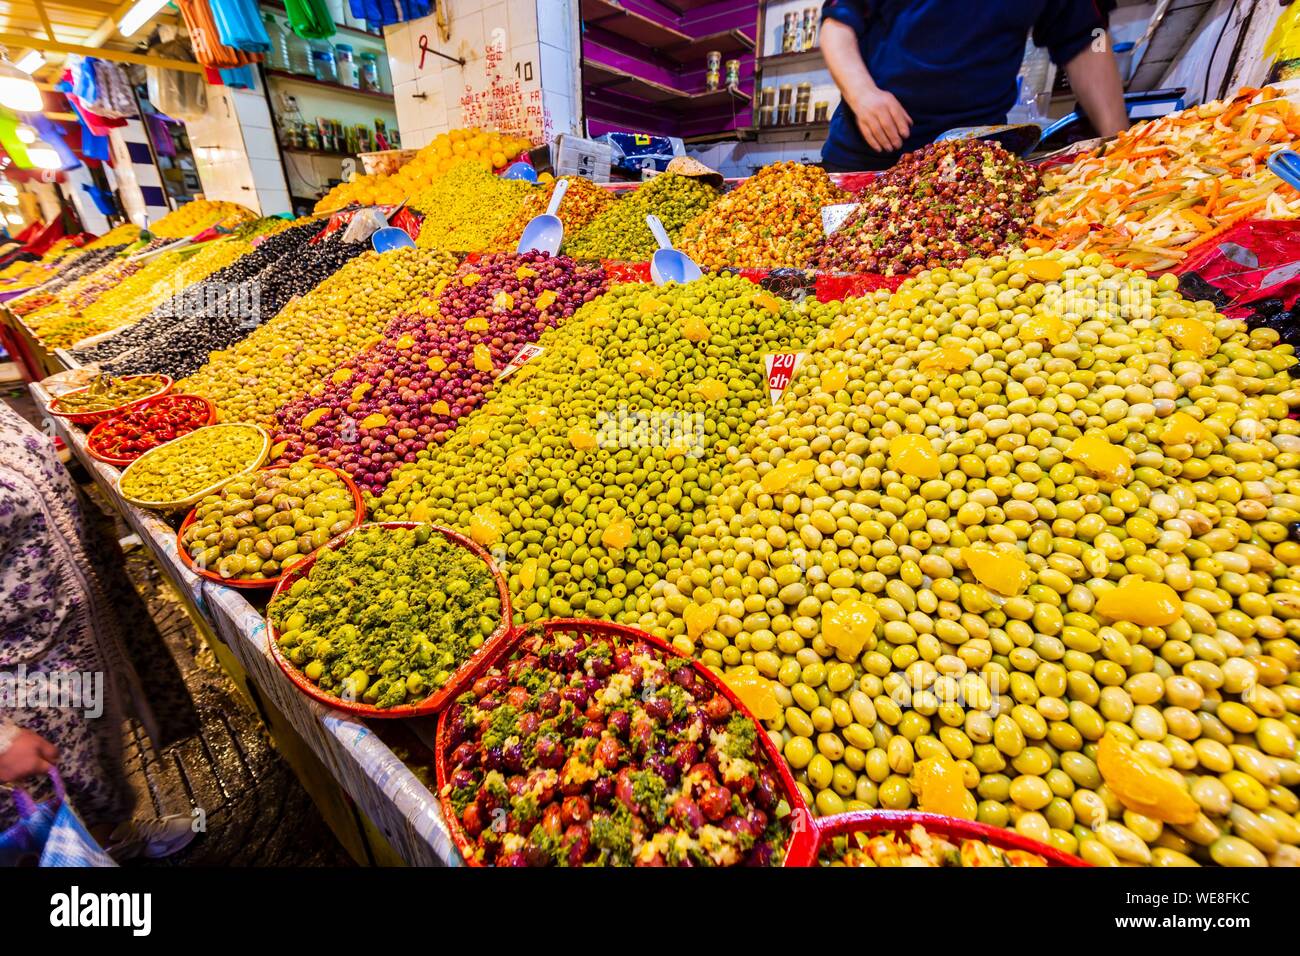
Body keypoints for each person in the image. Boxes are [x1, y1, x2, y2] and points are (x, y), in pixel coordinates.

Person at [0, 402, 194, 860]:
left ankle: (113, 842)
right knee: (33, 825)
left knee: (88, 774)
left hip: (62, 651)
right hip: (16, 685)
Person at [819, 0, 1130, 170]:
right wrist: (863, 94)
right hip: (872, 154)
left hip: (977, 162)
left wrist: (1123, 147)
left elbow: (1092, 39)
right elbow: (837, 26)